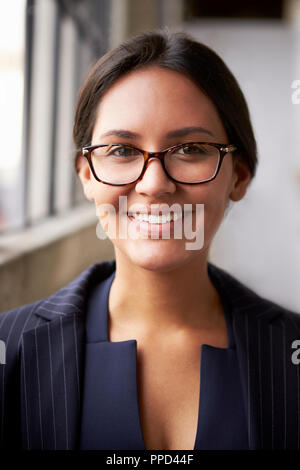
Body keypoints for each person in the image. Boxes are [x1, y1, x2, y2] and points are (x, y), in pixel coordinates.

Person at [1, 29, 300, 451]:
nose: (154, 184)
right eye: (122, 151)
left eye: (191, 148)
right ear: (86, 175)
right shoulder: (8, 349)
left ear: (239, 175)